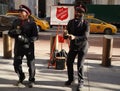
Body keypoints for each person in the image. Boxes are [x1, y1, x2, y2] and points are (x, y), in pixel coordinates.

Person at [8, 5, 38, 88]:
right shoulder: (16, 21)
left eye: (21, 12)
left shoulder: (32, 23)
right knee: (16, 64)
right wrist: (14, 32)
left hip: (28, 47)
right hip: (18, 47)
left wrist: (26, 40)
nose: (19, 13)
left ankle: (31, 80)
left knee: (31, 64)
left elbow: (35, 36)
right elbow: (9, 33)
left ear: (27, 14)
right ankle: (21, 77)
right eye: (19, 12)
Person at [63, 4, 89, 91]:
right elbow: (67, 35)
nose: (77, 13)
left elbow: (86, 37)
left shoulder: (86, 23)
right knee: (69, 62)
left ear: (83, 13)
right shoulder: (70, 22)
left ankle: (81, 82)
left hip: (83, 46)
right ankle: (70, 79)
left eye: (80, 12)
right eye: (77, 11)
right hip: (73, 46)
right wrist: (65, 35)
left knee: (80, 65)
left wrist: (75, 37)